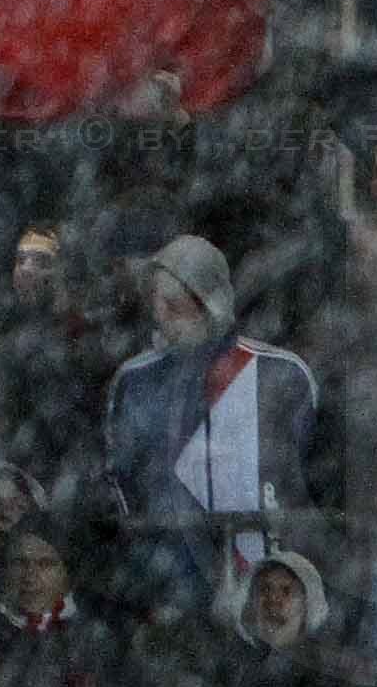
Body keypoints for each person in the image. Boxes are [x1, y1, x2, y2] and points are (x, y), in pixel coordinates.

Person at [103, 234, 318, 615]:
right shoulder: (134, 382)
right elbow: (122, 483)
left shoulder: (282, 374)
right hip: (168, 579)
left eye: (173, 303)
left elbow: (308, 472)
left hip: (265, 578)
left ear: (210, 300)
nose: (160, 315)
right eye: (155, 302)